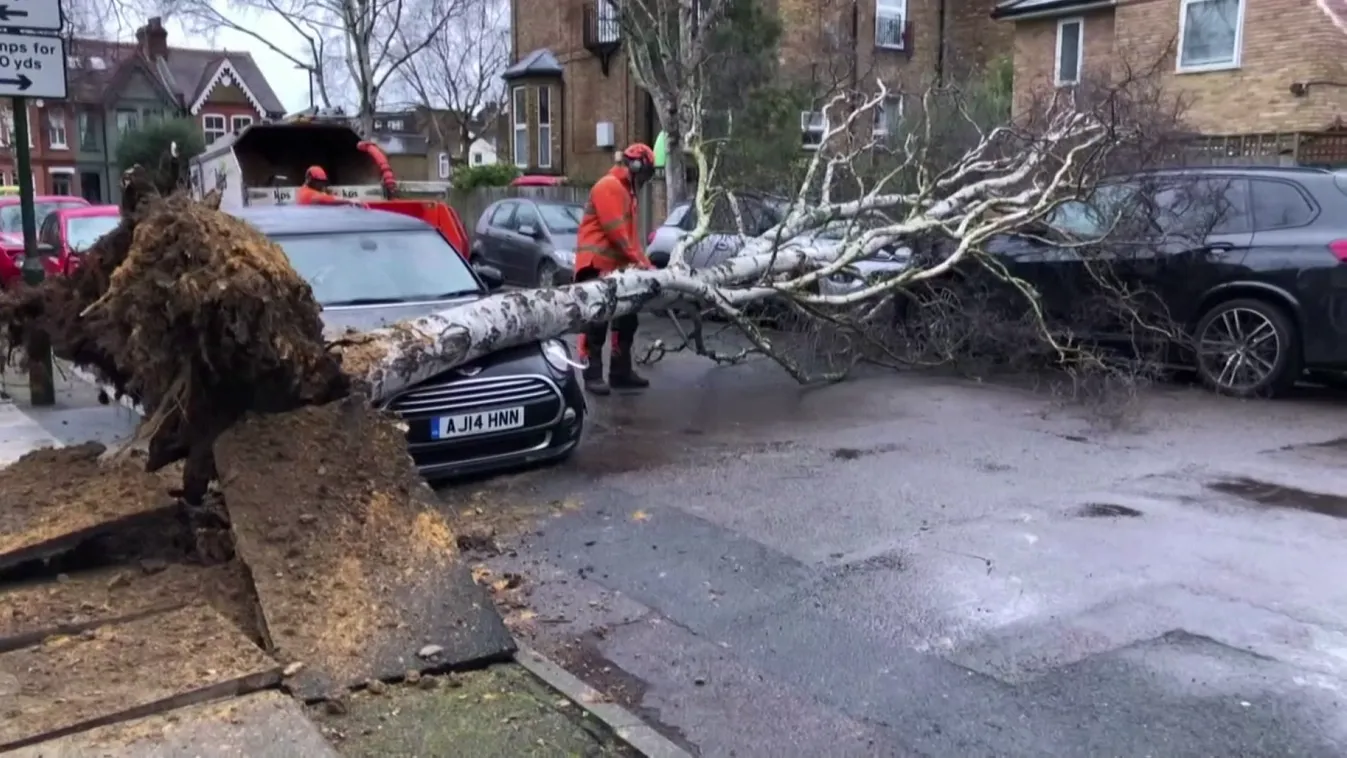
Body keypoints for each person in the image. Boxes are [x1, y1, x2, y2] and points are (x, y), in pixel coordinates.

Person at [574, 143, 656, 395]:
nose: (645, 180)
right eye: (645, 173)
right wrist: (639, 262)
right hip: (595, 265)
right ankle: (592, 374)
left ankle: (620, 371)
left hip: (618, 268)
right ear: (635, 165)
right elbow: (617, 233)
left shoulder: (627, 193)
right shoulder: (609, 187)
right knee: (595, 323)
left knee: (627, 319)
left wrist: (646, 264)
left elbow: (631, 239)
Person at [296, 165, 362, 206]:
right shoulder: (307, 193)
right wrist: (349, 201)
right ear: (310, 179)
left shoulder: (303, 190)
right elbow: (324, 199)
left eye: (323, 182)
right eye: (319, 181)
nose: (322, 185)